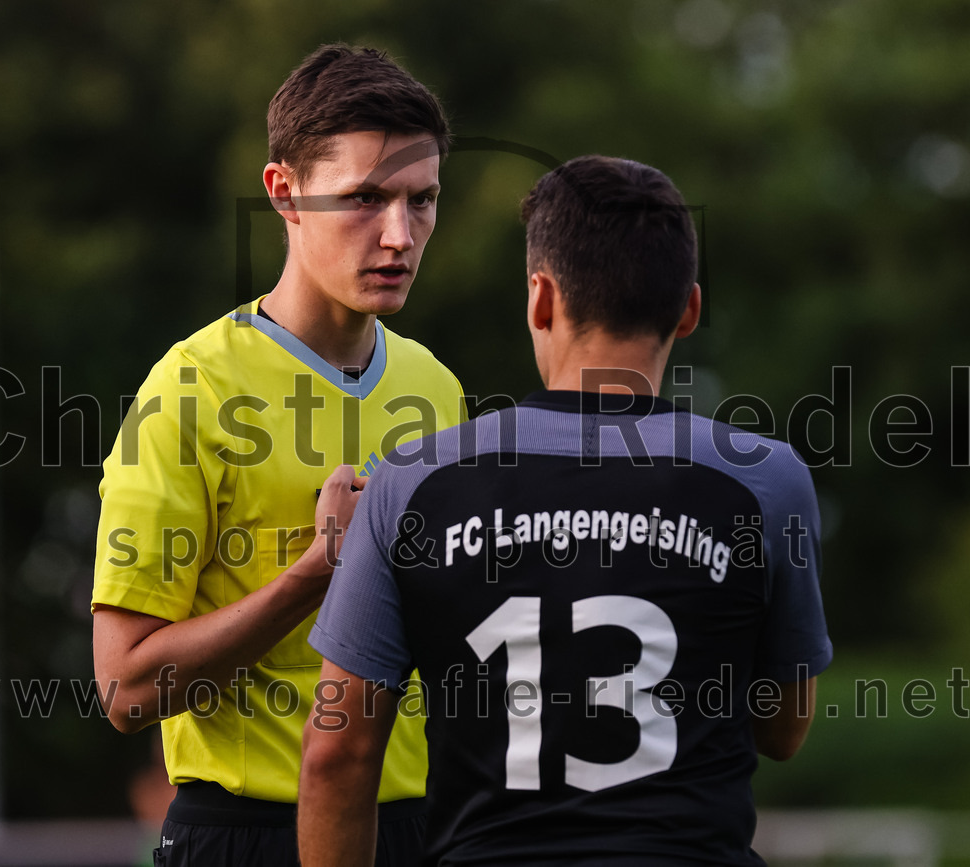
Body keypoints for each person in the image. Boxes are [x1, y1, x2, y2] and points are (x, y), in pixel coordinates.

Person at [298, 155, 832, 866]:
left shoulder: (413, 482)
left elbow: (338, 752)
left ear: (540, 298)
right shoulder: (767, 480)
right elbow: (783, 729)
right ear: (689, 309)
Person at [92, 44, 466, 867]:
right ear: (283, 193)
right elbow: (124, 690)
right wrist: (315, 573)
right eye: (365, 198)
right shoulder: (189, 388)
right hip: (245, 835)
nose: (400, 234)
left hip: (417, 830)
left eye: (422, 199)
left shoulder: (436, 388)